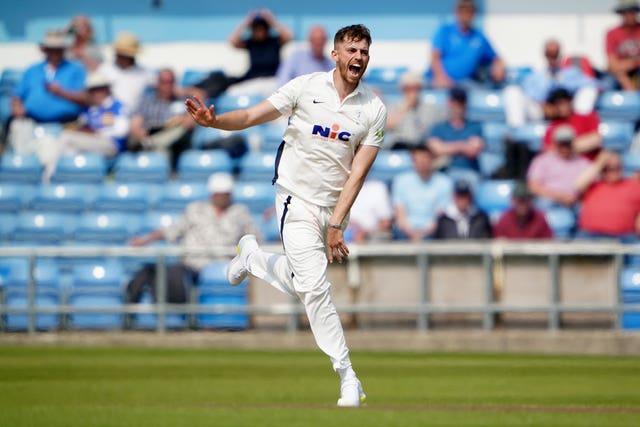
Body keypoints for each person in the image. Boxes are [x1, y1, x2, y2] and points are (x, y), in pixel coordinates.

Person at [185, 24, 386, 407]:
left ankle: (253, 258)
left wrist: (336, 224)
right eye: (351, 50)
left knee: (304, 286)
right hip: (294, 199)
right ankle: (347, 376)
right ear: (336, 54)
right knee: (316, 287)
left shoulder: (374, 109)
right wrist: (215, 122)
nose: (358, 57)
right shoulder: (305, 87)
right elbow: (249, 116)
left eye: (364, 52)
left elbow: (358, 174)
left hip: (330, 207)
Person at [126, 172, 261, 306]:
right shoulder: (195, 209)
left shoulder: (240, 212)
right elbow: (173, 230)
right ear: (212, 194)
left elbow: (254, 238)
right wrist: (145, 240)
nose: (222, 198)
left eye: (225, 194)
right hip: (194, 265)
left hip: (226, 264)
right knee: (171, 275)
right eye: (218, 194)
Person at [3, 30, 86, 153]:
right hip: (32, 121)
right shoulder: (32, 70)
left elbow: (86, 99)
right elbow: (17, 96)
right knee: (18, 129)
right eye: (51, 49)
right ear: (44, 49)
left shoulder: (76, 69)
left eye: (58, 49)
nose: (55, 53)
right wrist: (17, 107)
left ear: (64, 50)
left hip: (67, 125)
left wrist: (61, 92)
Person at [42, 72, 129, 182]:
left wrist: (96, 133)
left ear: (106, 89)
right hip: (92, 144)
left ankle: (48, 177)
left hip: (111, 145)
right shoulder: (90, 109)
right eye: (92, 90)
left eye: (98, 89)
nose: (95, 93)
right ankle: (70, 179)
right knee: (67, 147)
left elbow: (122, 131)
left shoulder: (117, 106)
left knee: (66, 138)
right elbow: (83, 126)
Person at [503, 39, 599, 128]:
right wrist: (546, 107)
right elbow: (529, 97)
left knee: (589, 90)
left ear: (560, 54)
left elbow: (595, 84)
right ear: (545, 55)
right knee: (512, 91)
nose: (552, 57)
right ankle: (516, 135)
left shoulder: (571, 73)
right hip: (541, 112)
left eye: (555, 53)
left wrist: (565, 104)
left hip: (567, 111)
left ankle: (581, 127)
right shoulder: (535, 76)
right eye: (549, 54)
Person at [128, 68, 197, 171]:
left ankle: (152, 143)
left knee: (177, 133)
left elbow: (191, 121)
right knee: (160, 149)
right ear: (157, 83)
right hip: (149, 134)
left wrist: (178, 120)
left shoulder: (183, 100)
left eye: (170, 82)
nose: (166, 85)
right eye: (163, 81)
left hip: (174, 139)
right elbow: (135, 125)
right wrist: (142, 134)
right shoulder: (146, 101)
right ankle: (152, 143)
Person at [427, 0, 505, 89]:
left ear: (474, 13)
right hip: (441, 83)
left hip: (465, 84)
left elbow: (496, 58)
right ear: (456, 12)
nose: (465, 14)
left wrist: (498, 66)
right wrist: (440, 77)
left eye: (469, 10)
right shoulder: (445, 31)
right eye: (462, 10)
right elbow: (435, 57)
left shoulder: (479, 37)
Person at [574, 151, 640, 241]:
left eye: (617, 167)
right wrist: (600, 163)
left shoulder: (634, 186)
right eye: (608, 168)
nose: (612, 171)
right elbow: (578, 185)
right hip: (591, 235)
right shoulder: (593, 185)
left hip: (624, 236)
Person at [392, 145, 453, 241]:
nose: (422, 163)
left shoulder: (444, 182)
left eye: (425, 159)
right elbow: (400, 215)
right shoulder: (401, 181)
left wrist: (422, 234)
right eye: (419, 160)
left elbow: (441, 217)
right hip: (406, 231)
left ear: (432, 160)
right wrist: (412, 234)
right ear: (413, 162)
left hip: (432, 231)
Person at [227, 9, 294, 96]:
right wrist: (247, 22)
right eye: (256, 29)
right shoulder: (251, 43)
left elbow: (289, 35)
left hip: (273, 80)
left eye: (261, 28)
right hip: (253, 80)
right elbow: (233, 41)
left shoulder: (274, 41)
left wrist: (272, 21)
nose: (259, 32)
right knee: (232, 92)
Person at [526, 125, 591, 208]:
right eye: (562, 143)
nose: (564, 147)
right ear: (555, 143)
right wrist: (560, 197)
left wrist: (576, 197)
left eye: (567, 143)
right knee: (543, 204)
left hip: (576, 201)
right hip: (551, 201)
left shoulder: (583, 162)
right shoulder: (542, 160)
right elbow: (533, 186)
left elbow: (592, 185)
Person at [427, 86, 484, 173]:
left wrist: (446, 147)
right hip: (445, 173)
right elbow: (436, 149)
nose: (458, 106)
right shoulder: (439, 127)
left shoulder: (475, 126)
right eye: (454, 102)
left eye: (461, 102)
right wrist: (463, 146)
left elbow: (474, 151)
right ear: (449, 103)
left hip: (469, 172)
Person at [384, 71, 446, 150]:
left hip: (421, 148)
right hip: (399, 146)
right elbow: (388, 125)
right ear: (402, 89)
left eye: (415, 88)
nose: (412, 92)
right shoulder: (393, 106)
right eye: (407, 88)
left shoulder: (430, 109)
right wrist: (406, 106)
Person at [98, 31, 155, 112]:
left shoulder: (145, 72)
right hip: (109, 117)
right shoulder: (104, 70)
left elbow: (161, 85)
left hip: (136, 118)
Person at [541, 87, 602, 160]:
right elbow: (548, 152)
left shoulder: (587, 117)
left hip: (589, 166)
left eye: (563, 103)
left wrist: (565, 147)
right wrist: (580, 144)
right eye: (557, 104)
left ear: (570, 101)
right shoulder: (552, 127)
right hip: (564, 168)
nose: (561, 107)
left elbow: (596, 140)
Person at [344, 178, 393, 243]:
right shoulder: (333, 188)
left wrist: (365, 233)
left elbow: (386, 223)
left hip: (369, 240)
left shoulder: (377, 188)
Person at [605, 0, 640, 91]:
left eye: (632, 12)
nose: (629, 15)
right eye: (626, 12)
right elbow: (612, 65)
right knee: (607, 84)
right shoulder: (612, 33)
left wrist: (630, 63)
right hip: (620, 74)